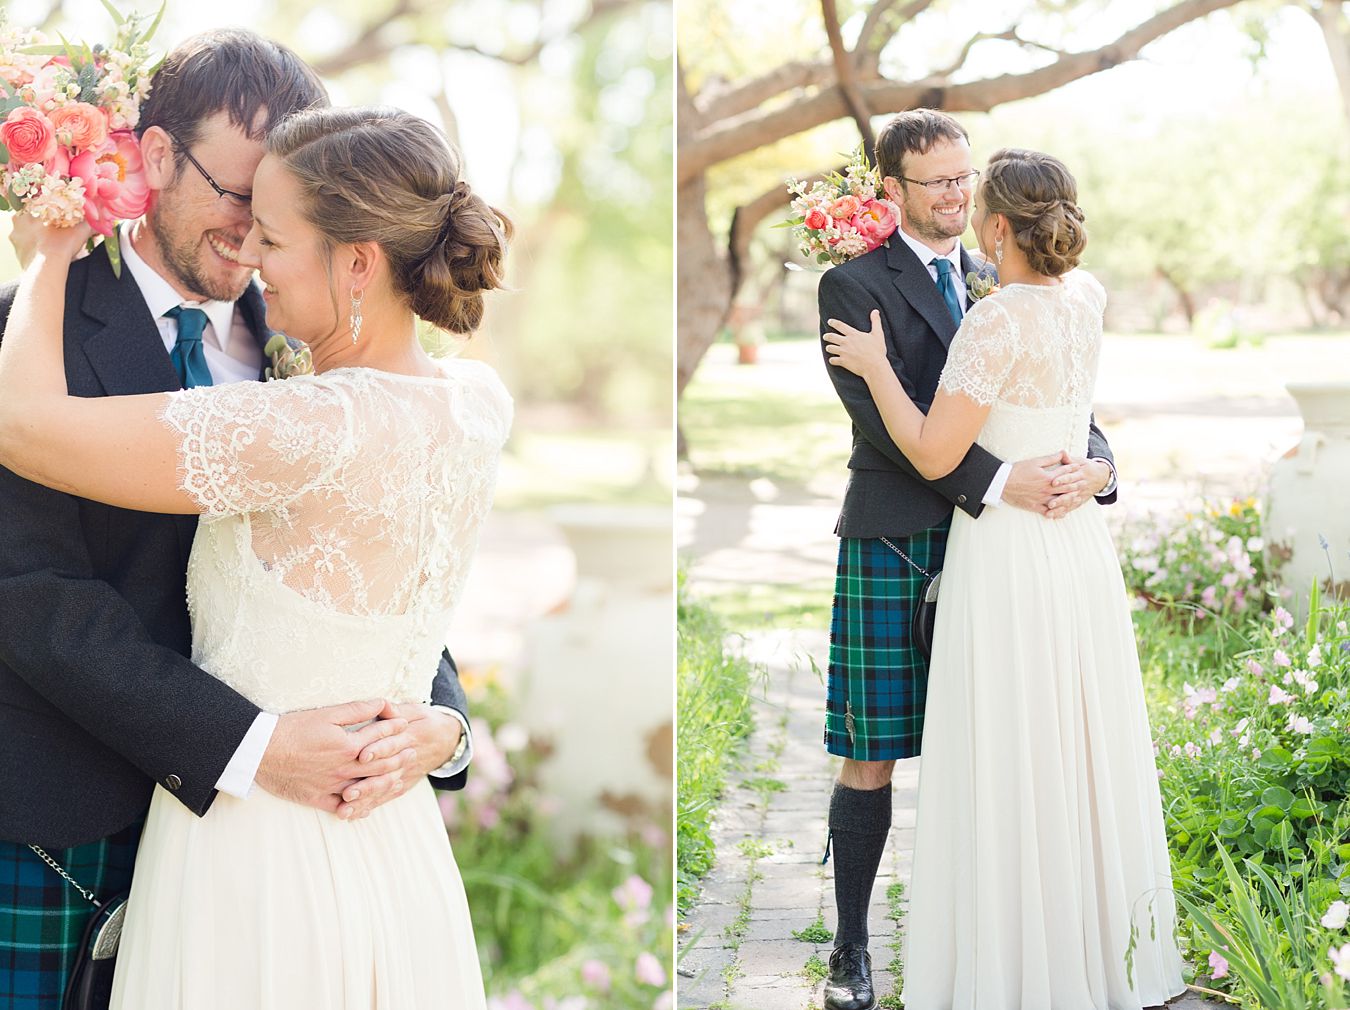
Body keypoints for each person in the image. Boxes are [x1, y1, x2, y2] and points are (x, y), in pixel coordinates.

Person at [0, 89, 512, 1008]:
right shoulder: (476, 401)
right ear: (154, 157)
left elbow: (22, 425)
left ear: (358, 263)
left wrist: (46, 248)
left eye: (271, 233)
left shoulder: (305, 412)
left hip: (257, 851)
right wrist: (423, 731)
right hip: (366, 846)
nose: (248, 252)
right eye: (237, 205)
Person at [824, 147, 1184, 1008]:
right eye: (937, 179)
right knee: (895, 752)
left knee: (1022, 745)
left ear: (993, 220)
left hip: (1015, 547)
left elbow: (1073, 418)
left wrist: (1098, 468)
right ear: (893, 190)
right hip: (926, 539)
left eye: (964, 180)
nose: (953, 192)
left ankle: (1020, 960)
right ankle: (853, 949)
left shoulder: (1001, 297)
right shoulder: (855, 285)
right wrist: (1001, 479)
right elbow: (883, 435)